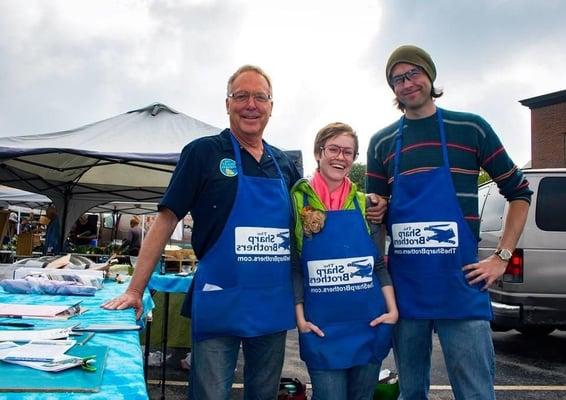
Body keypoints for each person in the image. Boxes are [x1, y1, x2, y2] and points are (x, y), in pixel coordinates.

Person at [103, 64, 302, 400]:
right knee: (210, 394)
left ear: (271, 106)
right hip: (219, 298)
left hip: (270, 303)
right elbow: (165, 221)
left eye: (260, 97)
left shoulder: (283, 163)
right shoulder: (202, 153)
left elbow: (311, 220)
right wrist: (136, 290)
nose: (250, 104)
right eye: (241, 96)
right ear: (227, 104)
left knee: (264, 394)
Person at [366, 44, 532, 400]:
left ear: (430, 75)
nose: (407, 83)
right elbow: (375, 216)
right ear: (392, 89)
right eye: (397, 79)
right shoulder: (381, 143)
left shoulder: (470, 128)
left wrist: (501, 257)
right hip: (406, 291)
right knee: (411, 393)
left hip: (461, 285)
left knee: (474, 393)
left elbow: (519, 192)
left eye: (413, 73)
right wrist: (376, 212)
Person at [292, 122, 398, 400]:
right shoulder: (296, 200)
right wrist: (300, 318)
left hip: (370, 324)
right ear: (318, 152)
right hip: (322, 329)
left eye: (348, 152)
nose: (340, 157)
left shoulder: (366, 205)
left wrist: (393, 310)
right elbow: (294, 265)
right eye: (334, 149)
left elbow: (377, 264)